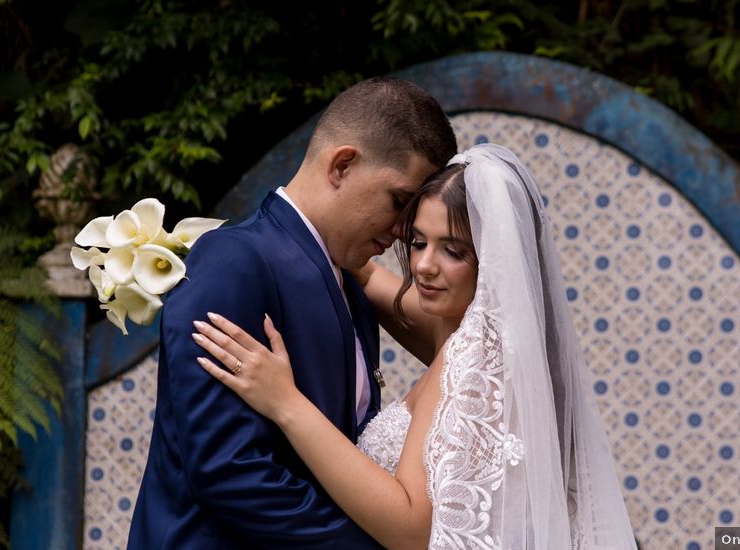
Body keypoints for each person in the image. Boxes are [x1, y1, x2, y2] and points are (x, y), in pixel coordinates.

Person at [193, 144, 638, 549]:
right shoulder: (474, 338)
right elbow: (371, 279)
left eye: (454, 251)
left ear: (494, 261)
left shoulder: (477, 360)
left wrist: (285, 402)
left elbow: (410, 528)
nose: (424, 266)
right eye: (419, 242)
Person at [127, 76, 457, 549]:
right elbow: (231, 470)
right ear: (342, 164)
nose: (405, 231)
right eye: (400, 202)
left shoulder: (351, 279)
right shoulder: (233, 263)